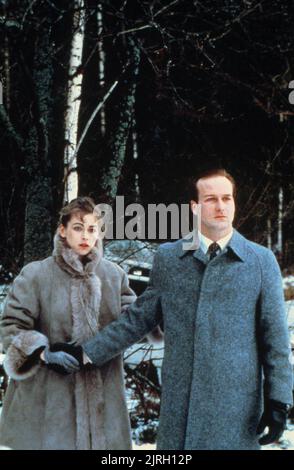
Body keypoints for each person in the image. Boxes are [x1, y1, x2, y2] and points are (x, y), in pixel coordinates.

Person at [56, 169, 293, 450]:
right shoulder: (170, 258)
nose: (221, 207)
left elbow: (275, 339)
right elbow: (137, 319)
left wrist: (279, 400)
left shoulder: (260, 261)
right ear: (195, 206)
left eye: (227, 198)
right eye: (211, 199)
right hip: (181, 408)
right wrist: (86, 352)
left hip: (236, 410)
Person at [0, 197, 136, 450]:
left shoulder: (115, 276)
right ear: (62, 230)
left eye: (92, 229)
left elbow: (134, 323)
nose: (85, 235)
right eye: (77, 227)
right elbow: (11, 325)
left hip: (103, 402)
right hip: (47, 402)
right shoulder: (36, 274)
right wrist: (42, 353)